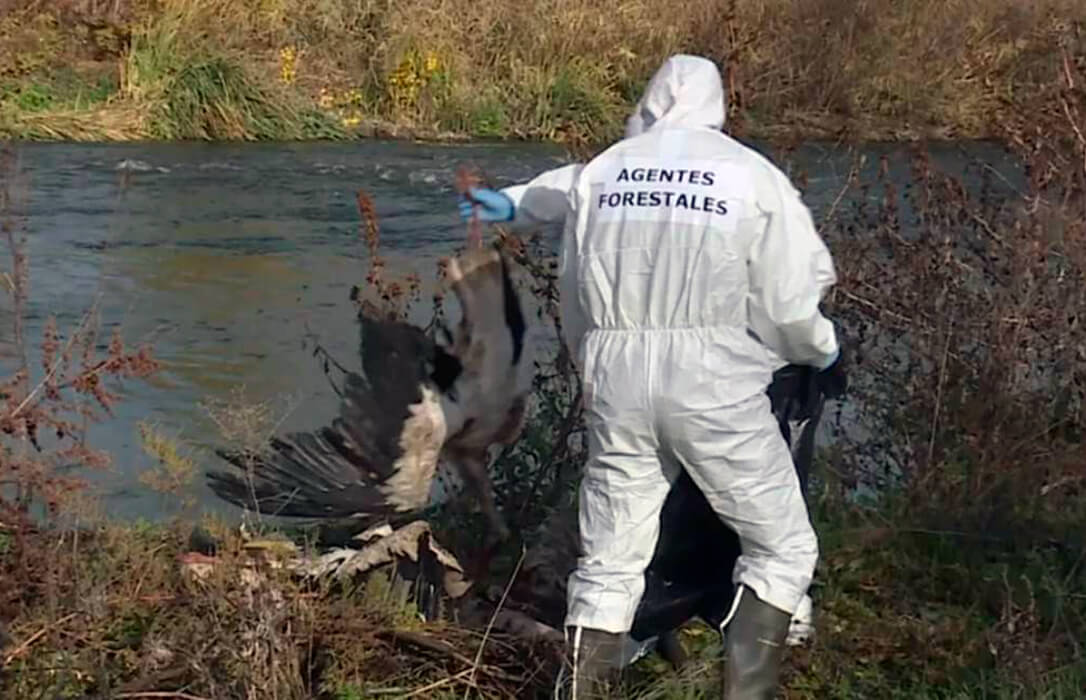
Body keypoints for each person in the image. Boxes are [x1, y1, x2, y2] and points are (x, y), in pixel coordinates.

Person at [458, 55, 846, 699]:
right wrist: (823, 351)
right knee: (781, 548)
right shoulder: (749, 175)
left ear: (648, 105)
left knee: (610, 560)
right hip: (713, 379)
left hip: (615, 380)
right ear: (715, 107)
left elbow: (554, 193)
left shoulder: (608, 168)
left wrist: (506, 205)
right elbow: (788, 305)